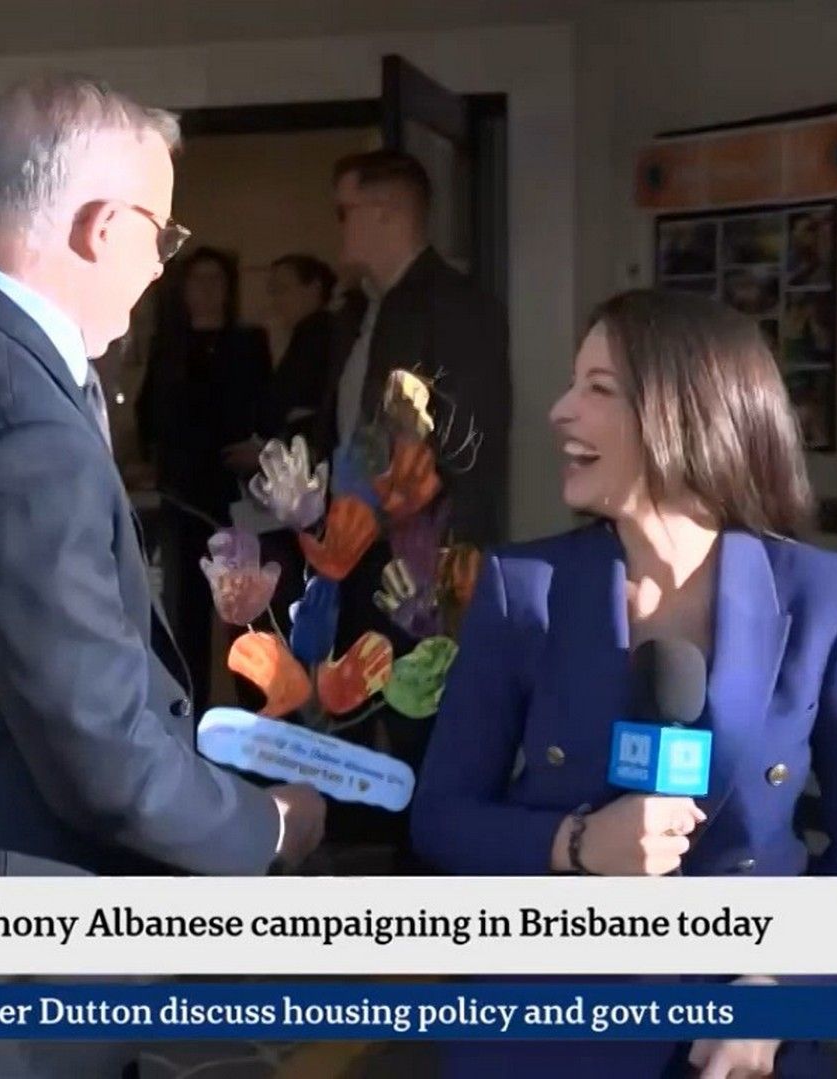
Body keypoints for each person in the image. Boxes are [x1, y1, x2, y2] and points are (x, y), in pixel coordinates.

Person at [0, 74, 325, 1079]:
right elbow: (99, 746)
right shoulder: (22, 422)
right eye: (162, 235)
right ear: (103, 227)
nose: (161, 264)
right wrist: (264, 826)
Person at [410, 289, 837, 1078]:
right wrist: (576, 843)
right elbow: (441, 817)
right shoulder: (524, 588)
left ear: (688, 412)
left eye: (599, 388)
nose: (560, 410)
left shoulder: (827, 598)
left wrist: (778, 991)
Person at [315, 150, 510, 865]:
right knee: (357, 707)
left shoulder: (454, 306)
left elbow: (470, 445)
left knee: (424, 722)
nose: (337, 227)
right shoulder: (365, 310)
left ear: (385, 212)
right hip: (359, 551)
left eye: (345, 211)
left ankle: (431, 878)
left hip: (422, 561)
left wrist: (447, 564)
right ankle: (370, 854)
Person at [137, 245, 271, 711]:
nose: (208, 290)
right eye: (198, 280)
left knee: (245, 616)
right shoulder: (169, 346)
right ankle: (189, 715)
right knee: (186, 613)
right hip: (183, 493)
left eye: (217, 280)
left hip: (235, 493)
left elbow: (261, 407)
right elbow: (150, 414)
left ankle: (258, 716)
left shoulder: (247, 342)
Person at [257, 252, 337, 446]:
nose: (276, 300)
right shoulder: (324, 331)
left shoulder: (315, 334)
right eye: (273, 291)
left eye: (282, 289)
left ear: (314, 288)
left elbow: (283, 399)